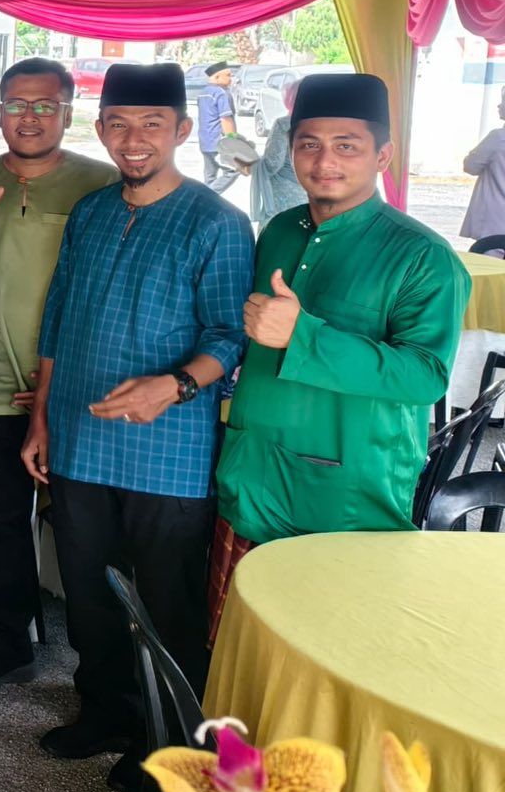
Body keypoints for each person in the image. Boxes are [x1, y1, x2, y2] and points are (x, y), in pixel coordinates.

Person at [24, 62, 252, 792]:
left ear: (181, 130)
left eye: (152, 124)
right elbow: (57, 320)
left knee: (166, 602)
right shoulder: (91, 212)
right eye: (119, 124)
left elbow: (230, 336)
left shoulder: (218, 222)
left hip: (169, 450)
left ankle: (169, 740)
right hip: (80, 437)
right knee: (88, 590)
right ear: (100, 129)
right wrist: (41, 420)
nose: (134, 139)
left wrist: (176, 384)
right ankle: (105, 712)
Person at [209, 74, 468, 631]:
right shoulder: (280, 230)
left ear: (382, 156)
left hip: (343, 498)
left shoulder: (422, 256)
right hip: (252, 475)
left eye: (346, 145)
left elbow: (425, 376)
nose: (324, 161)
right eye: (309, 143)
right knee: (239, 649)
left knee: (325, 648)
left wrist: (304, 336)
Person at [0, 58, 116, 694]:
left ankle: (104, 673)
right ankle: (10, 643)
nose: (29, 118)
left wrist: (64, 384)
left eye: (44, 106)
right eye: (16, 104)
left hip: (76, 390)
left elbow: (109, 291)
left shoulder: (102, 184)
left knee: (86, 531)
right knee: (2, 522)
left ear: (68, 111)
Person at [246, 80, 308, 230]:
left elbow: (272, 164)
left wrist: (248, 165)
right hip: (309, 193)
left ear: (290, 99)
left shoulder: (284, 124)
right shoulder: (323, 124)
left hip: (285, 195)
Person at [461, 87, 505, 242]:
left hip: (493, 224)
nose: (499, 106)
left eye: (503, 101)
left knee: (487, 256)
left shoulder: (498, 137)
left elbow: (470, 166)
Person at [197, 61, 240, 193]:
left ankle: (206, 201)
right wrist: (232, 139)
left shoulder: (203, 93)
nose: (231, 78)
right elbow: (225, 119)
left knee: (210, 177)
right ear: (217, 77)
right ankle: (207, 197)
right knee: (233, 170)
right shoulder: (221, 93)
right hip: (218, 141)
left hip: (205, 141)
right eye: (228, 75)